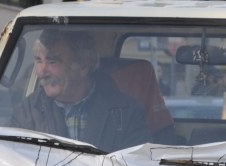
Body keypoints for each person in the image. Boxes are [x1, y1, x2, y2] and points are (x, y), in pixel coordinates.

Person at [11, 29, 150, 153]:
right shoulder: (26, 113)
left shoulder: (128, 113)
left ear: (83, 66)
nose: (41, 72)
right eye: (38, 61)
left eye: (53, 62)